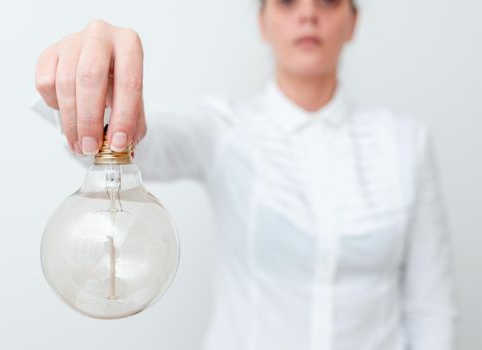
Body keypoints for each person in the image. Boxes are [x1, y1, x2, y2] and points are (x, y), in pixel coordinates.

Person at [34, 0, 457, 349]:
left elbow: (430, 307)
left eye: (328, 1)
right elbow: (143, 142)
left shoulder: (405, 143)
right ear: (263, 22)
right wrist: (94, 90)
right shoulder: (224, 130)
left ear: (353, 23)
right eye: (288, 2)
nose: (308, 14)